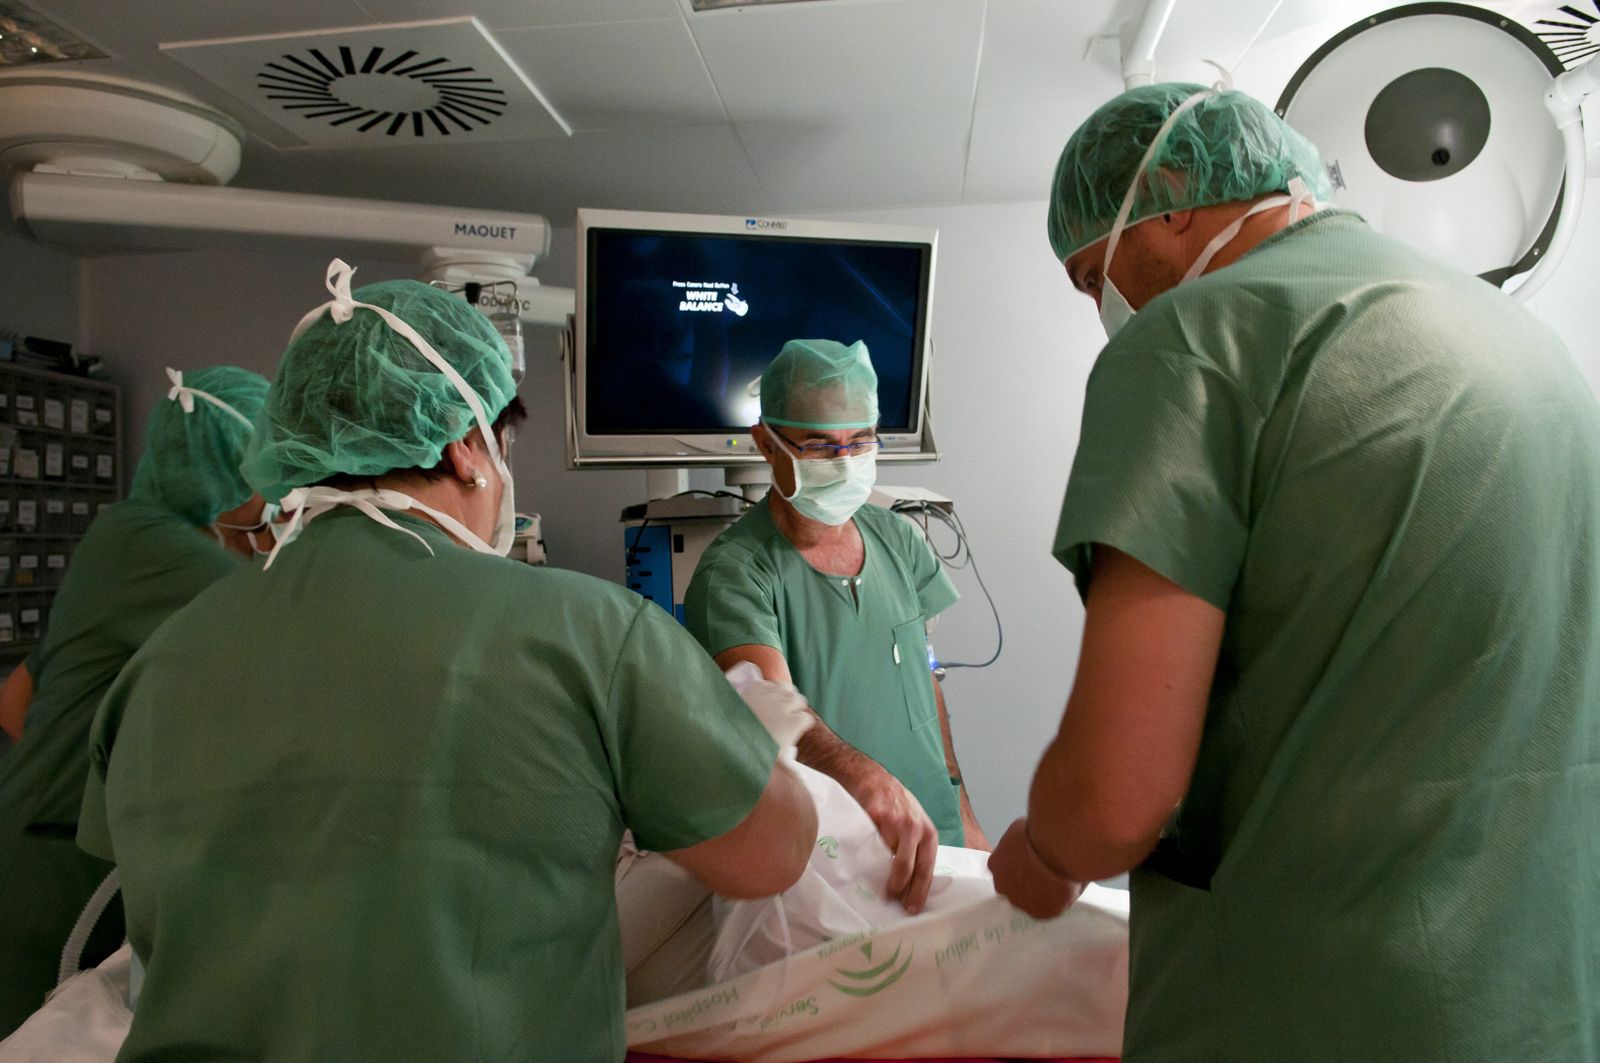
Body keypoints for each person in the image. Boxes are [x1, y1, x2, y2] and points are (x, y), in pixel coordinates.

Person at [986, 76, 1600, 1061]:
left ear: (1173, 191)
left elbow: (1113, 795)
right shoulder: (1524, 341)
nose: (1103, 300)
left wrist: (1042, 855)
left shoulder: (1195, 342)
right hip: (1536, 995)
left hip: (1315, 999)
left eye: (1091, 270)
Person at [76, 261, 815, 1061]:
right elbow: (771, 851)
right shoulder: (587, 629)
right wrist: (753, 736)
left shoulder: (157, 665)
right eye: (503, 445)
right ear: (469, 447)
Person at [0, 365, 270, 1035]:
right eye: (272, 469)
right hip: (52, 857)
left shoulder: (125, 535)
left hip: (41, 827)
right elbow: (286, 618)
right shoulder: (149, 544)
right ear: (228, 464)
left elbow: (15, 698)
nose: (279, 492)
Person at [685, 337, 987, 917]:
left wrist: (961, 810)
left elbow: (925, 681)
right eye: (822, 445)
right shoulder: (736, 572)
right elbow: (771, 709)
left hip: (936, 834)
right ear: (766, 445)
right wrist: (864, 777)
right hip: (830, 860)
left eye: (860, 441)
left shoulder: (898, 540)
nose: (847, 461)